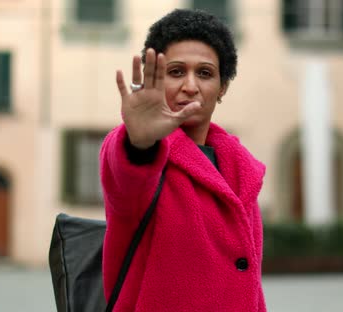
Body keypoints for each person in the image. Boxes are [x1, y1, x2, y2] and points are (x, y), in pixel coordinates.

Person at [100, 9, 267, 311]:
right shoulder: (141, 154)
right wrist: (140, 142)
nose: (190, 86)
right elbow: (125, 173)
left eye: (204, 73)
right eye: (176, 72)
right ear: (156, 80)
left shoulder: (243, 174)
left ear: (222, 88)